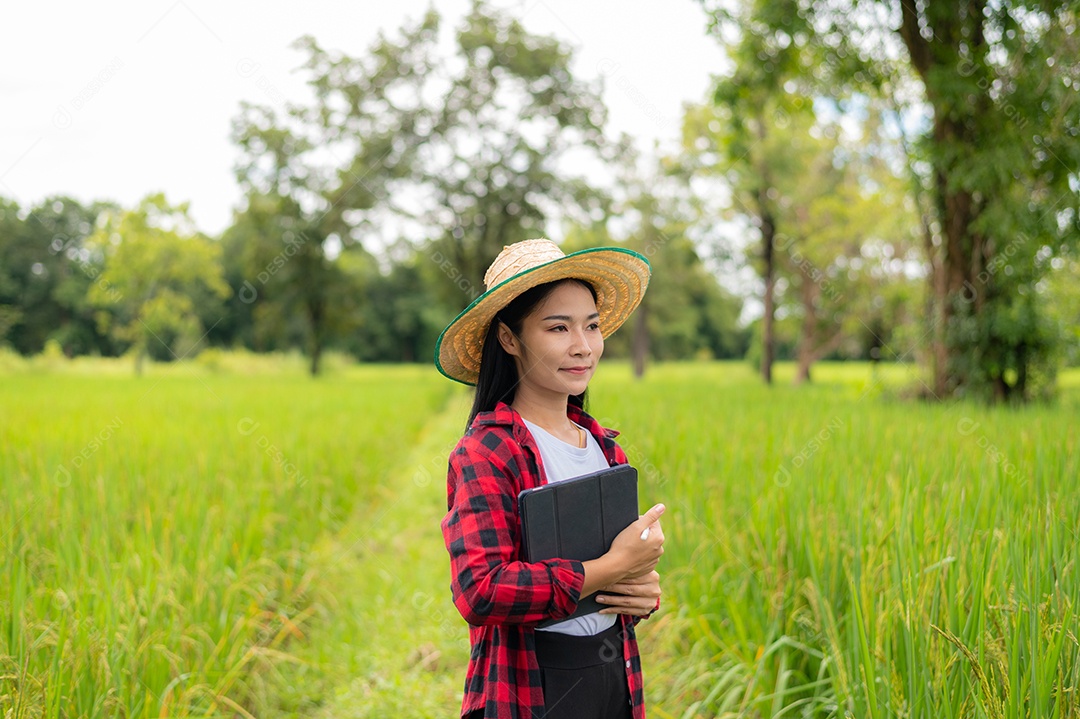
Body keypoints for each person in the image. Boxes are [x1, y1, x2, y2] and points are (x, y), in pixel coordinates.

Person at [435, 238, 666, 719]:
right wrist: (611, 567)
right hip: (530, 685)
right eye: (558, 327)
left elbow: (614, 590)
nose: (583, 346)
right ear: (509, 339)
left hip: (614, 677)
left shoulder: (607, 451)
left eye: (592, 325)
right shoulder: (487, 453)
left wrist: (640, 593)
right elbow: (482, 590)